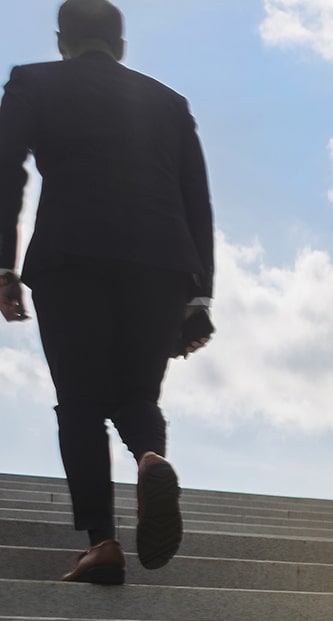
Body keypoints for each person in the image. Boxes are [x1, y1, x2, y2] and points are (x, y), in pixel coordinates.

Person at [0, 0, 214, 585]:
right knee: (136, 392)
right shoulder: (169, 102)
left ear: (62, 40)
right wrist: (199, 297)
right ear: (120, 45)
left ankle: (102, 542)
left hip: (72, 256)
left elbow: (7, 171)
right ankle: (150, 456)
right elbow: (197, 197)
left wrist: (3, 266)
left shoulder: (32, 81)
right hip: (161, 264)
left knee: (80, 402)